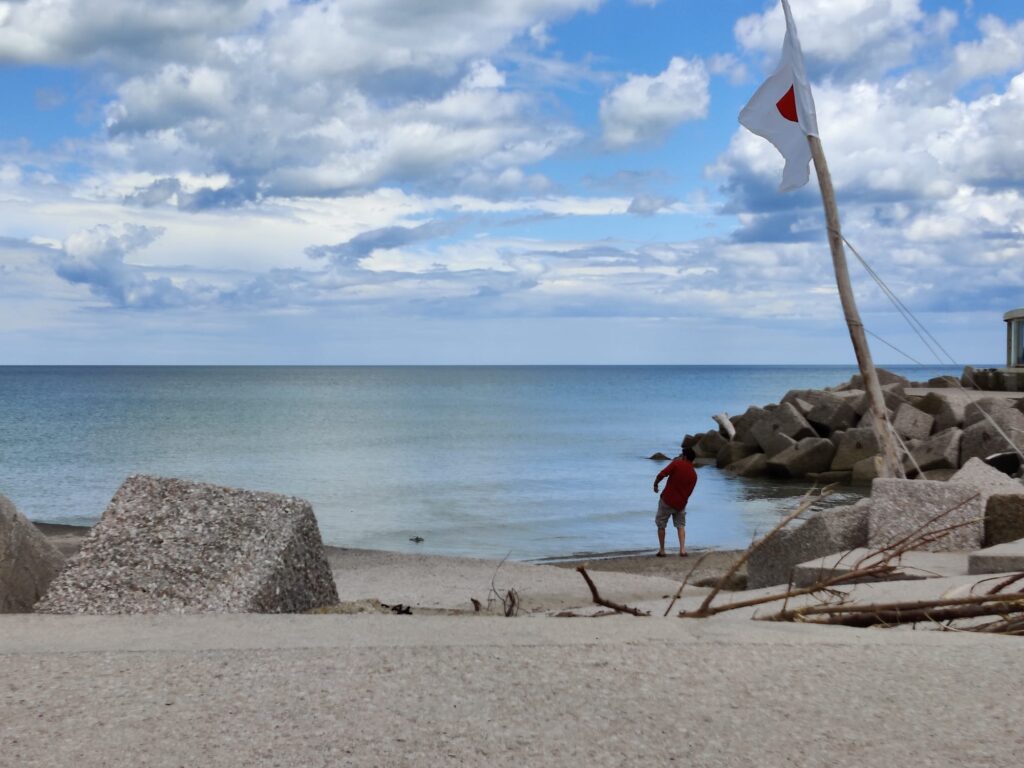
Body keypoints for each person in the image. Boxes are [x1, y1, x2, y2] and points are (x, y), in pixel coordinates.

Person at [652, 446, 698, 557]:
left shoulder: (676, 464)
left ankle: (662, 550)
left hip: (667, 500)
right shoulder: (694, 474)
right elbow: (689, 492)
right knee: (680, 525)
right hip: (681, 503)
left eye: (682, 455)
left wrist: (655, 484)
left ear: (685, 456)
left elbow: (662, 474)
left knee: (661, 524)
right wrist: (683, 500)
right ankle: (682, 550)